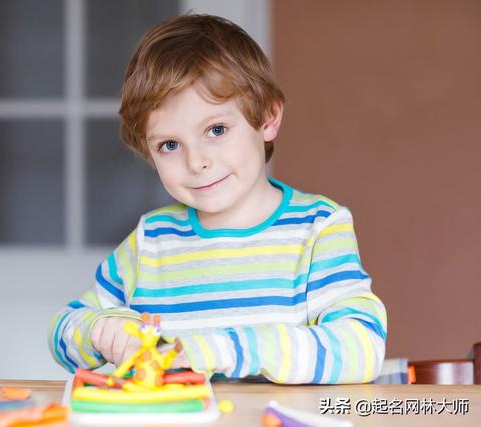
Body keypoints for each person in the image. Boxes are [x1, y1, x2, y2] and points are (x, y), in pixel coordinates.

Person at [48, 14, 386, 384]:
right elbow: (62, 333)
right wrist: (101, 329)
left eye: (217, 129)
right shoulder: (152, 240)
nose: (197, 162)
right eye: (170, 145)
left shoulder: (318, 228)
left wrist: (225, 351)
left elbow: (362, 348)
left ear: (268, 117)